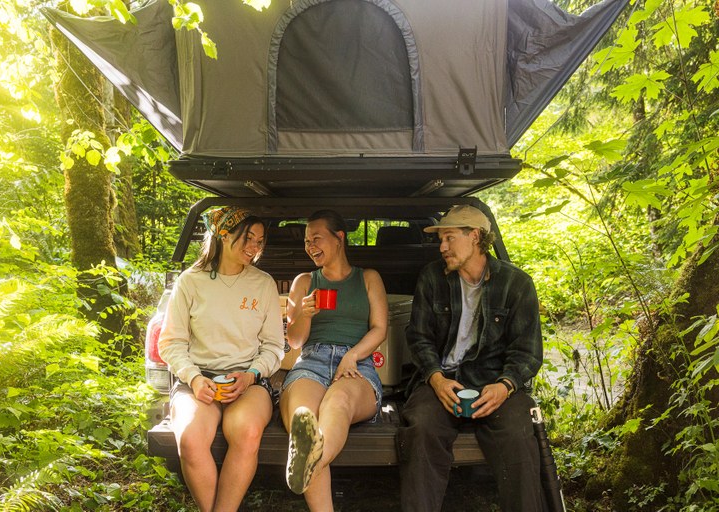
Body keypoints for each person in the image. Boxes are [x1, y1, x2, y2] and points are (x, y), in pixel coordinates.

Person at [398, 204, 544, 512]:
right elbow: (419, 337)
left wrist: (505, 385)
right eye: (441, 239)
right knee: (421, 427)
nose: (442, 247)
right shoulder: (432, 278)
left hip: (495, 381)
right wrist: (436, 380)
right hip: (442, 379)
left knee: (520, 434)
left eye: (449, 238)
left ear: (475, 237)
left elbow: (527, 352)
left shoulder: (517, 284)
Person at [158, 206, 284, 512]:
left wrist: (252, 374)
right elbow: (171, 342)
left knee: (247, 432)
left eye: (260, 241)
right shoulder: (191, 281)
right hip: (198, 380)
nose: (255, 247)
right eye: (249, 238)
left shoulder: (263, 283)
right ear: (224, 236)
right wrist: (194, 378)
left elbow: (274, 347)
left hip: (248, 380)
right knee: (189, 439)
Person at [280, 209, 388, 511]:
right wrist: (303, 314)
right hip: (311, 361)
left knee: (337, 404)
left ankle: (307, 463)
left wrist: (352, 356)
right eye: (306, 241)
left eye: (316, 238)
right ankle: (309, 459)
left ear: (339, 238)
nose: (310, 246)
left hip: (357, 364)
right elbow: (295, 341)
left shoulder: (368, 278)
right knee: (306, 421)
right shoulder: (304, 281)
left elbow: (380, 328)